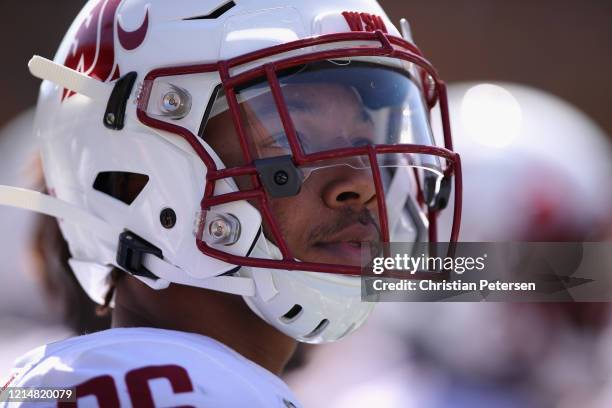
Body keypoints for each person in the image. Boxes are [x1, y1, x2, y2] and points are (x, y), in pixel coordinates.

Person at [0, 0, 461, 405]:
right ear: (132, 170)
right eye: (292, 135)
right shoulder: (168, 388)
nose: (361, 184)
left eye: (367, 140)